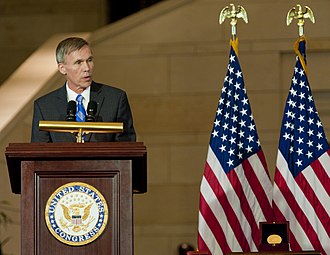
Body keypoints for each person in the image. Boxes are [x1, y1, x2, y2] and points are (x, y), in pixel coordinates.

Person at [31, 37, 136, 142]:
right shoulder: (44, 106)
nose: (87, 68)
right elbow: (38, 153)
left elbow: (128, 148)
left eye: (89, 60)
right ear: (62, 68)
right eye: (78, 62)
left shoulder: (115, 99)